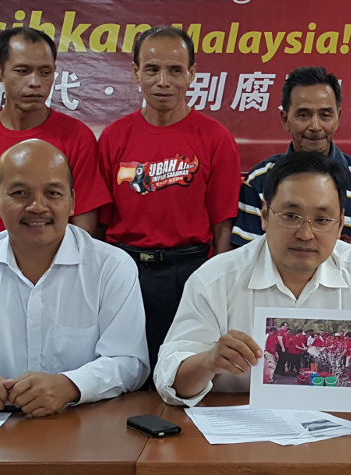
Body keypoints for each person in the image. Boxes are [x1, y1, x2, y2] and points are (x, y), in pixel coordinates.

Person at [153, 151, 351, 406]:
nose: (305, 234)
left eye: (321, 220)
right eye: (291, 216)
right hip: (236, 435)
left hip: (338, 431)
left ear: (341, 224)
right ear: (263, 215)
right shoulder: (214, 280)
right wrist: (209, 361)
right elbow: (172, 384)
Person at [0, 139, 149, 418]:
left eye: (53, 193)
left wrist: (71, 386)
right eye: (19, 193)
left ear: (72, 202)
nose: (37, 207)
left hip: (81, 423)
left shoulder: (111, 267)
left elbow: (128, 361)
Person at [98, 26, 241, 382]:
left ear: (192, 74)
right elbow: (99, 224)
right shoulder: (115, 137)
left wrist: (217, 287)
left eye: (176, 70)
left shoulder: (216, 138)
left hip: (189, 271)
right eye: (152, 69)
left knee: (185, 373)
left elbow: (224, 226)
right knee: (124, 374)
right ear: (135, 72)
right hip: (125, 269)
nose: (163, 81)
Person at [231, 66, 351, 315]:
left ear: (338, 116)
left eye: (325, 115)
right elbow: (244, 256)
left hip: (347, 313)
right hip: (270, 310)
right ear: (285, 119)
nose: (315, 126)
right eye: (303, 115)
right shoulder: (260, 180)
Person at [0, 27, 110, 258]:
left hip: (57, 280)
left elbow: (85, 229)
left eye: (45, 72)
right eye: (22, 71)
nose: (35, 82)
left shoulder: (77, 137)